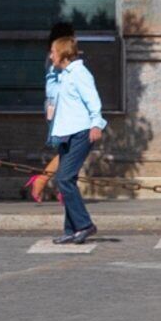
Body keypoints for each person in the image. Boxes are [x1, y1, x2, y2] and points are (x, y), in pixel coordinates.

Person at [41, 31, 106, 245]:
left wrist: (96, 123)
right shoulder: (62, 75)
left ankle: (85, 225)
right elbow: (51, 92)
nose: (50, 56)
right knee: (68, 180)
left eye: (53, 52)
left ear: (62, 53)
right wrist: (53, 69)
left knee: (64, 179)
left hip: (81, 132)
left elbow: (93, 99)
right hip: (65, 133)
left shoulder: (79, 73)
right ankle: (71, 229)